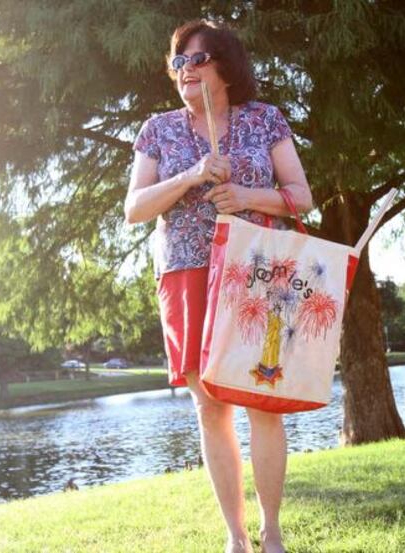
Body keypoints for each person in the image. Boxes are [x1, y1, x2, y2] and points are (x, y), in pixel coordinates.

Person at [123, 19, 313, 553]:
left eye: (197, 59)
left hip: (256, 273)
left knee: (264, 401)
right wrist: (189, 177)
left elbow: (302, 194)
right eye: (178, 62)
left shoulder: (265, 120)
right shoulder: (156, 131)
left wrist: (249, 197)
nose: (185, 70)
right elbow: (135, 209)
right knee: (210, 406)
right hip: (186, 272)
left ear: (225, 66)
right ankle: (237, 539)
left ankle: (271, 534)